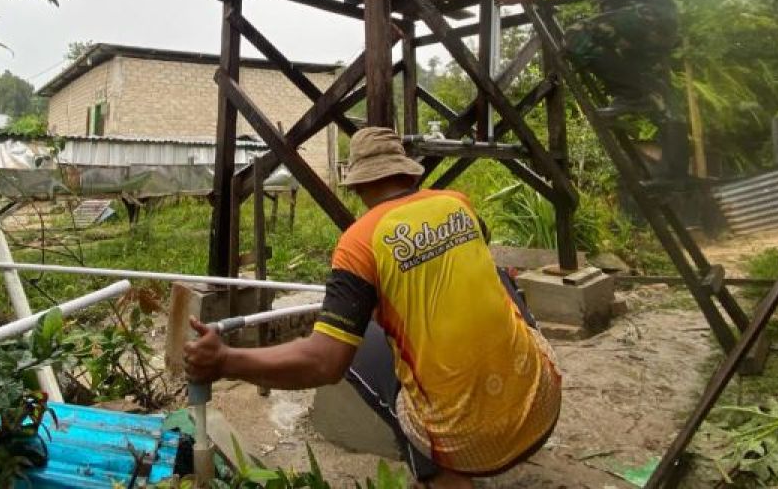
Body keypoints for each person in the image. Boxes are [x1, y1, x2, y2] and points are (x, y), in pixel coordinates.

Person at [183, 127, 561, 488]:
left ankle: (444, 478)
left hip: (471, 446)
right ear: (408, 173)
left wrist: (225, 360)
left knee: (362, 346)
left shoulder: (360, 242)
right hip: (542, 408)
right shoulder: (457, 203)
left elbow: (323, 362)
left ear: (359, 184)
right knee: (499, 280)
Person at [494, 0, 688, 182]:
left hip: (654, 18)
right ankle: (676, 173)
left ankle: (632, 95)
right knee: (660, 95)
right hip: (640, 25)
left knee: (576, 36)